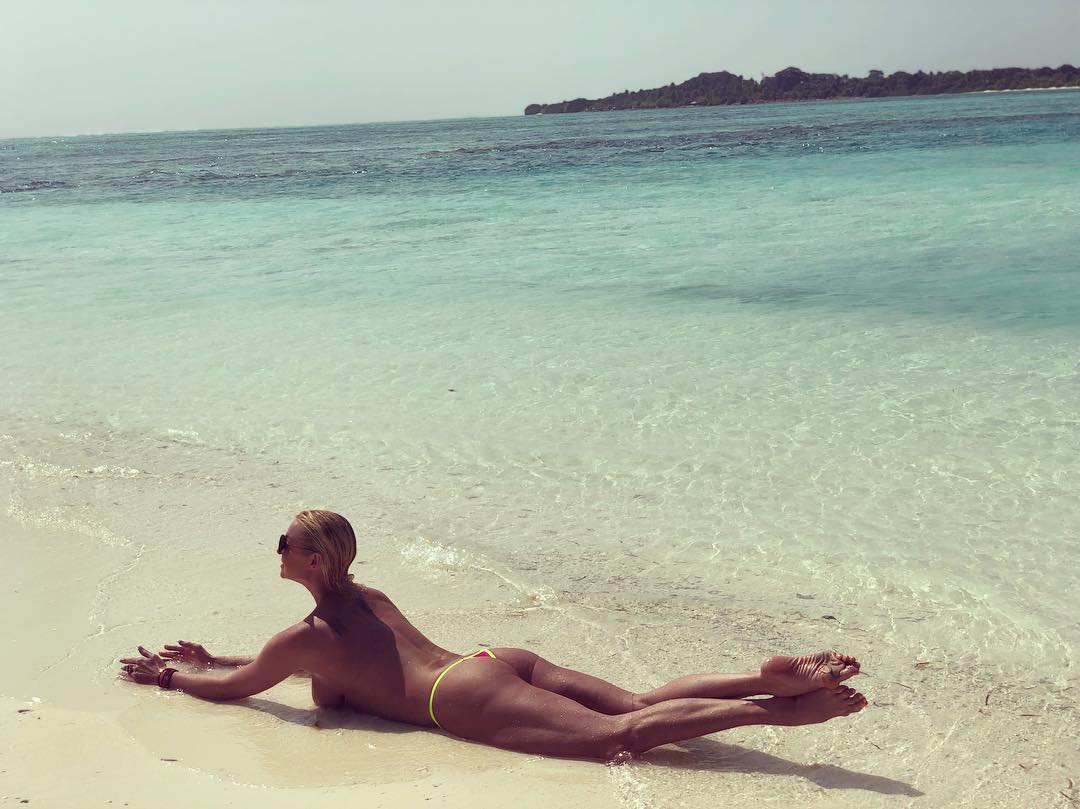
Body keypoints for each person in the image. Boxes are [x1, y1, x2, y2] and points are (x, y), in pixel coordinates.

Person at [119, 510, 867, 761]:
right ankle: (763, 678)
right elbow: (292, 666)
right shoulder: (366, 597)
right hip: (488, 660)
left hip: (461, 700)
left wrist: (172, 677)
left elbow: (238, 689)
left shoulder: (304, 637)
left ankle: (779, 711)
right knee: (638, 702)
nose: (276, 549)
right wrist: (213, 654)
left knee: (622, 736)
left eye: (283, 541)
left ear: (311, 559)